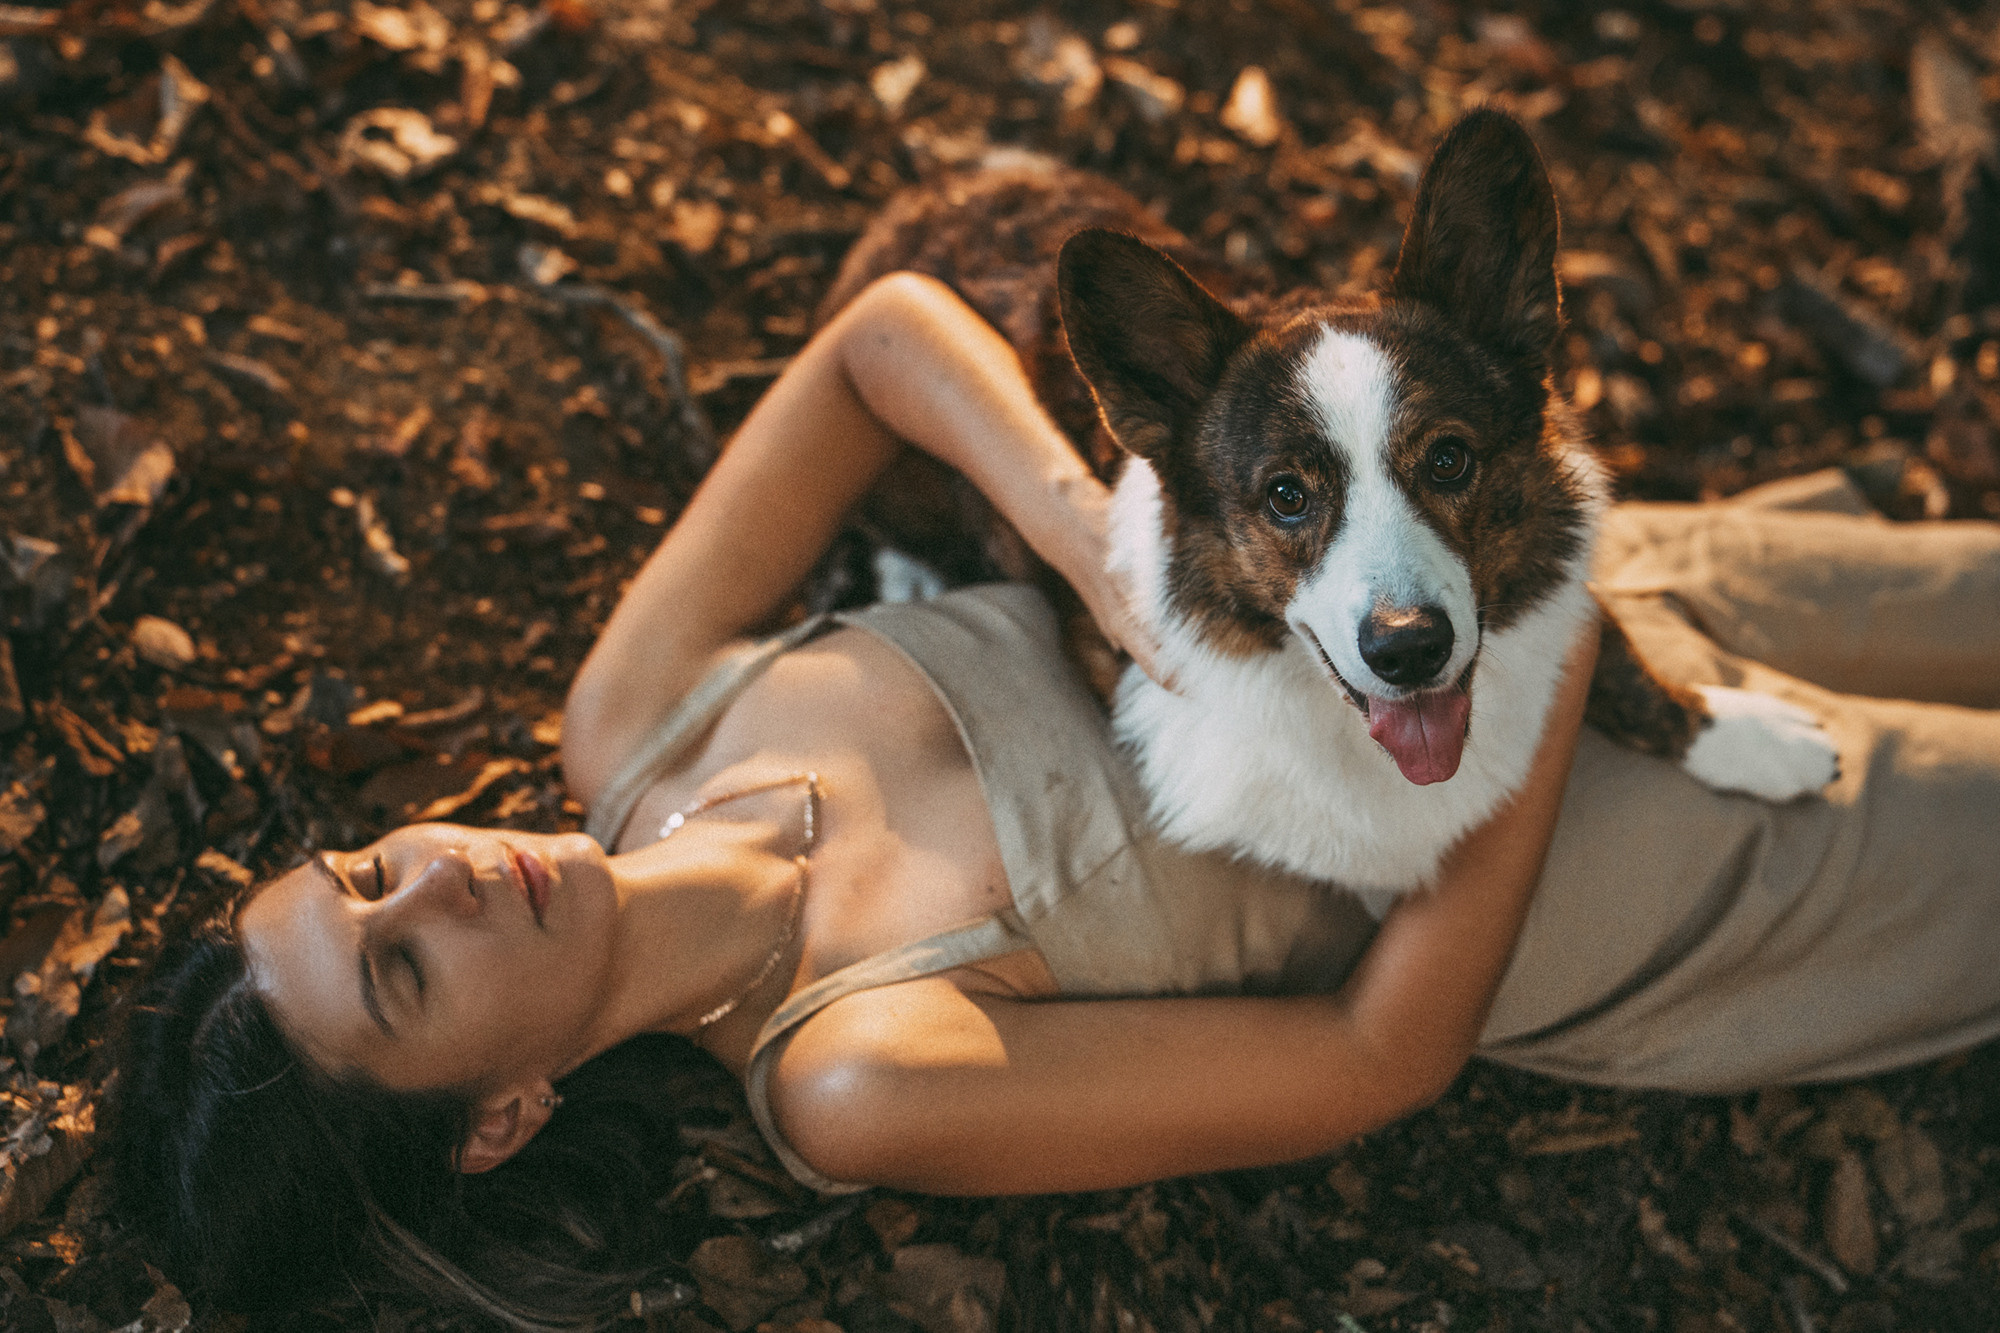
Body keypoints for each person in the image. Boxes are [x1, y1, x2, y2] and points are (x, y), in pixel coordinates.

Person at [109, 273, 2000, 1329]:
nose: (437, 878)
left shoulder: (637, 717)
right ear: (501, 1119)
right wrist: (1533, 676)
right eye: (402, 973)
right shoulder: (854, 1071)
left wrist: (1093, 545)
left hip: (1450, 548)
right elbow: (1377, 1054)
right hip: (1597, 850)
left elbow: (880, 343)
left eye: (365, 869)